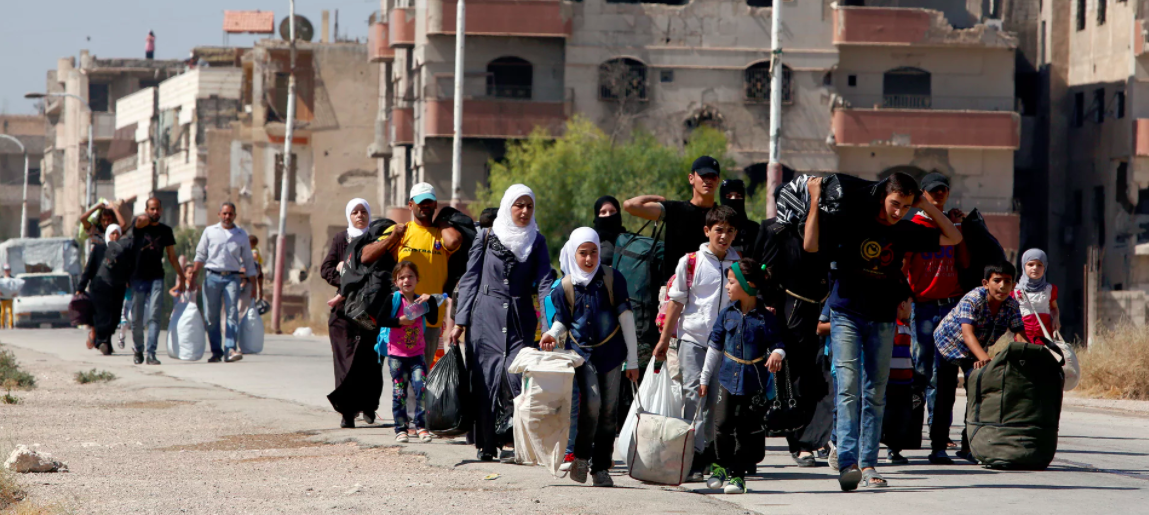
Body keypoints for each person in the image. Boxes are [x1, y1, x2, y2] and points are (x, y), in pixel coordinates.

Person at [802, 172, 962, 490]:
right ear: (882, 197)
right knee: (848, 389)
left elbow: (953, 237)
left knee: (875, 394)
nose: (898, 211)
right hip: (846, 314)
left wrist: (925, 205)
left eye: (905, 206)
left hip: (883, 318)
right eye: (894, 203)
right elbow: (810, 245)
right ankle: (848, 463)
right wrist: (816, 199)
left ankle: (868, 463)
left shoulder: (904, 230)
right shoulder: (853, 220)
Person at [451, 184, 554, 462]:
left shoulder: (537, 241)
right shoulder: (486, 237)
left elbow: (545, 284)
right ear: (508, 206)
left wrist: (549, 327)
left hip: (520, 318)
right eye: (519, 205)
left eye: (529, 206)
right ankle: (486, 444)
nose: (524, 211)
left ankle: (513, 440)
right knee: (484, 379)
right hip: (485, 316)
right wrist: (460, 321)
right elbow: (470, 279)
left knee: (516, 377)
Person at [540, 227, 639, 487]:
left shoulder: (613, 279)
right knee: (592, 403)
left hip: (612, 354)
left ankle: (601, 467)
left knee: (609, 411)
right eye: (582, 253)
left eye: (593, 252)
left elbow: (627, 319)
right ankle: (582, 457)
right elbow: (562, 321)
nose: (588, 259)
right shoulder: (565, 287)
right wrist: (551, 334)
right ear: (573, 254)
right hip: (582, 356)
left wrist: (633, 360)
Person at [653, 205, 741, 481]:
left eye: (729, 231)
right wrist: (664, 340)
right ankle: (692, 456)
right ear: (707, 231)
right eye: (718, 230)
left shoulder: (738, 265)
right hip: (693, 340)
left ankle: (710, 457)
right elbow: (676, 302)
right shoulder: (691, 262)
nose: (724, 236)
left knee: (715, 401)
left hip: (724, 346)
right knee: (694, 396)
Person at [753, 208, 831, 467]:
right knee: (797, 377)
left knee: (825, 376)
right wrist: (768, 305)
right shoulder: (776, 230)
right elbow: (763, 271)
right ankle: (800, 443)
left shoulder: (829, 225)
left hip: (827, 307)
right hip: (793, 310)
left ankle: (821, 437)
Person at [700, 257, 785, 494]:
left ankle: (738, 476)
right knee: (721, 425)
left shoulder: (766, 318)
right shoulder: (727, 314)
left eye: (731, 282)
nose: (727, 286)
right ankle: (720, 467)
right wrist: (704, 378)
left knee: (744, 430)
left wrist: (777, 353)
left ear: (748, 285)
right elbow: (714, 347)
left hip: (753, 383)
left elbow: (778, 343)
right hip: (726, 379)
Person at [933, 261, 1030, 462]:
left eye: (1007, 282)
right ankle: (938, 448)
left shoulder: (1011, 305)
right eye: (997, 281)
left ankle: (968, 447)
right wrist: (984, 359)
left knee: (977, 396)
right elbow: (967, 334)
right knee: (945, 395)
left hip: (976, 350)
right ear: (986, 283)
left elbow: (1020, 335)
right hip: (948, 345)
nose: (1002, 286)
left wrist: (1030, 356)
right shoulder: (973, 299)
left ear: (1013, 285)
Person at [901, 172, 967, 462]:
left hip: (951, 307)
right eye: (933, 191)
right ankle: (908, 437)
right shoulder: (914, 227)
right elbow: (903, 267)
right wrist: (903, 302)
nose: (939, 194)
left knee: (946, 375)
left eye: (943, 190)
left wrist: (958, 223)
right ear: (923, 195)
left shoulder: (952, 225)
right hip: (924, 306)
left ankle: (939, 440)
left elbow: (964, 258)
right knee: (922, 372)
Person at [375, 183, 462, 369]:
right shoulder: (401, 231)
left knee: (422, 373)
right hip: (402, 317)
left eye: (429, 202)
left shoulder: (441, 234)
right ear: (410, 205)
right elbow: (368, 255)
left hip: (430, 317)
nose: (425, 205)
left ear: (435, 204)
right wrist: (392, 238)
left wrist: (442, 221)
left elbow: (454, 241)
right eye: (420, 202)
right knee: (402, 374)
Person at [321, 198, 384, 429]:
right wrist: (345, 282)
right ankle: (347, 411)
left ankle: (368, 406)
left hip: (369, 311)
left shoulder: (377, 239)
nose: (359, 216)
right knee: (344, 361)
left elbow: (383, 271)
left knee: (370, 360)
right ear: (349, 215)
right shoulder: (341, 239)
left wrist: (359, 280)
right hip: (344, 312)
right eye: (355, 212)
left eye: (363, 212)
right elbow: (326, 269)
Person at [624, 155, 720, 281]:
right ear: (691, 178)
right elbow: (630, 206)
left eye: (712, 176)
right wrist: (658, 199)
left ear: (718, 181)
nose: (708, 180)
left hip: (710, 285)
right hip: (674, 286)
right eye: (703, 175)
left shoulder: (722, 215)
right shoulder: (674, 210)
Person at [190, 202, 258, 363]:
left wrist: (254, 286)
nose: (227, 217)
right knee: (211, 316)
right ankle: (216, 351)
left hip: (232, 278)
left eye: (230, 214)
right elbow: (200, 255)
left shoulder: (241, 235)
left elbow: (248, 261)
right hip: (212, 277)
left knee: (232, 313)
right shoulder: (210, 231)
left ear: (235, 215)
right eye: (225, 213)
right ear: (219, 214)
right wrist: (193, 277)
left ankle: (230, 349)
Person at [385, 261, 437, 444]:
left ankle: (421, 426)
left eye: (410, 276)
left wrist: (431, 301)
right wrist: (399, 321)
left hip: (417, 355)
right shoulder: (393, 299)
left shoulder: (420, 302)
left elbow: (433, 319)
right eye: (402, 277)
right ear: (396, 282)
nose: (406, 280)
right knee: (400, 393)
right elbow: (381, 320)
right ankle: (401, 429)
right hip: (397, 356)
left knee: (421, 389)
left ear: (417, 279)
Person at [128, 198, 185, 366]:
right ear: (146, 210)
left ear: (162, 210)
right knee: (137, 318)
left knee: (154, 316)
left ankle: (151, 353)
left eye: (158, 209)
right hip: (138, 277)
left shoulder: (166, 230)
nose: (155, 212)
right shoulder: (139, 226)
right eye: (152, 209)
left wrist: (181, 276)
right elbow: (139, 221)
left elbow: (172, 256)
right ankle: (139, 349)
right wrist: (148, 217)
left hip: (156, 278)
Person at [76, 224, 135, 355]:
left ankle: (106, 341)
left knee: (114, 318)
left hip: (117, 288)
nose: (115, 236)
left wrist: (129, 281)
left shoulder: (124, 251)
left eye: (117, 234)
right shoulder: (99, 249)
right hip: (100, 288)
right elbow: (89, 268)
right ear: (108, 235)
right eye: (112, 233)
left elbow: (129, 268)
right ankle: (102, 342)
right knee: (102, 316)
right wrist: (81, 287)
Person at [882, 299, 916, 465]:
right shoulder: (890, 325)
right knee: (888, 417)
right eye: (910, 304)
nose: (911, 308)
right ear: (902, 305)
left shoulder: (906, 326)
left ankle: (894, 450)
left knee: (902, 418)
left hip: (905, 382)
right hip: (889, 382)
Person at [1013, 248, 1060, 343]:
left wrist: (1056, 319)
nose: (1035, 268)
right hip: (1023, 336)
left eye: (1039, 265)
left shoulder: (1049, 289)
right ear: (1023, 266)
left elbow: (1054, 308)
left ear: (1045, 267)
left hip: (1044, 336)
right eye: (1030, 264)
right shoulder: (1015, 290)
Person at [720, 179, 759, 255]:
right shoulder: (714, 228)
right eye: (729, 196)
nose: (733, 199)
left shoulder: (754, 229)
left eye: (738, 196)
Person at [592, 196, 627, 266]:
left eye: (612, 211)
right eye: (603, 212)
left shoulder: (628, 240)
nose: (608, 215)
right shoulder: (591, 242)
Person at [0, 264, 19, 330]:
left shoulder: (12, 278)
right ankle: (2, 325)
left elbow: (15, 287)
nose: (7, 271)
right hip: (3, 298)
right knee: (2, 312)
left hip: (10, 297)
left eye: (8, 270)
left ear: (10, 270)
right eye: (5, 270)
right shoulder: (1, 278)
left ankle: (10, 325)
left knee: (10, 311)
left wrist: (15, 293)